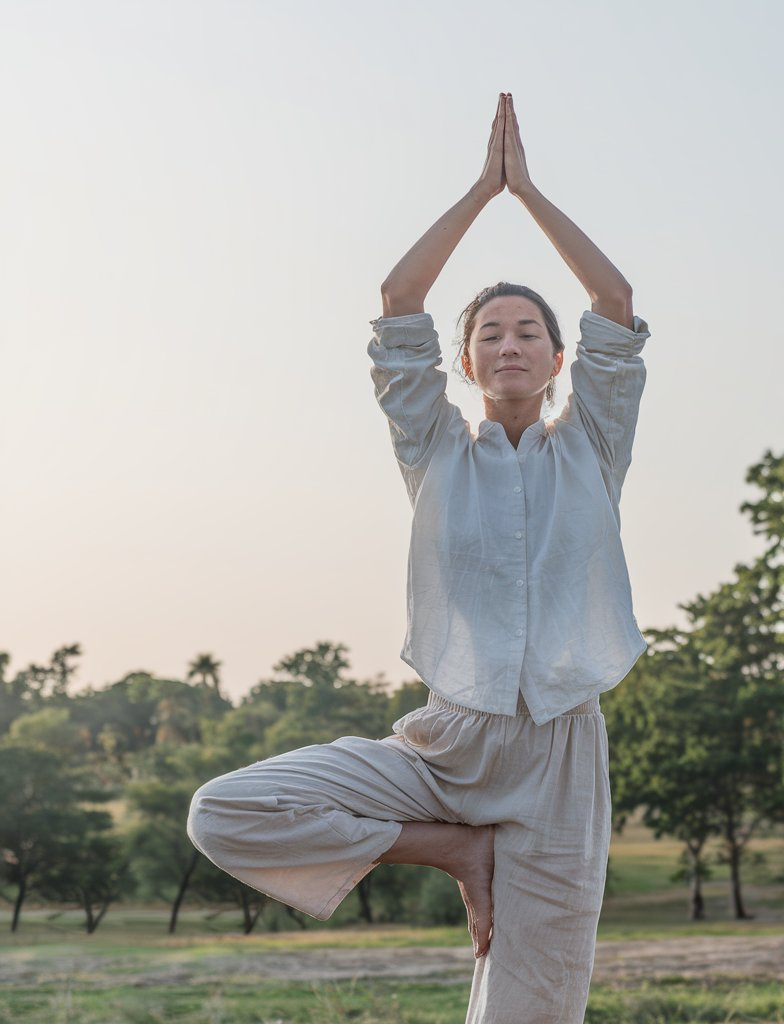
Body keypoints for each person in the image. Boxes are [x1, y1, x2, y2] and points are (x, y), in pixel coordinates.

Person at [188, 92, 649, 1024]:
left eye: (528, 333)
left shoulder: (591, 447)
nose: (509, 343)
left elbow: (617, 305)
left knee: (530, 1015)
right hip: (447, 744)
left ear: (560, 360)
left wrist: (534, 193)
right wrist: (485, 189)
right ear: (466, 365)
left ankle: (479, 863)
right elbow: (400, 304)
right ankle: (454, 851)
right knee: (223, 810)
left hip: (561, 763)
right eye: (489, 334)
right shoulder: (436, 451)